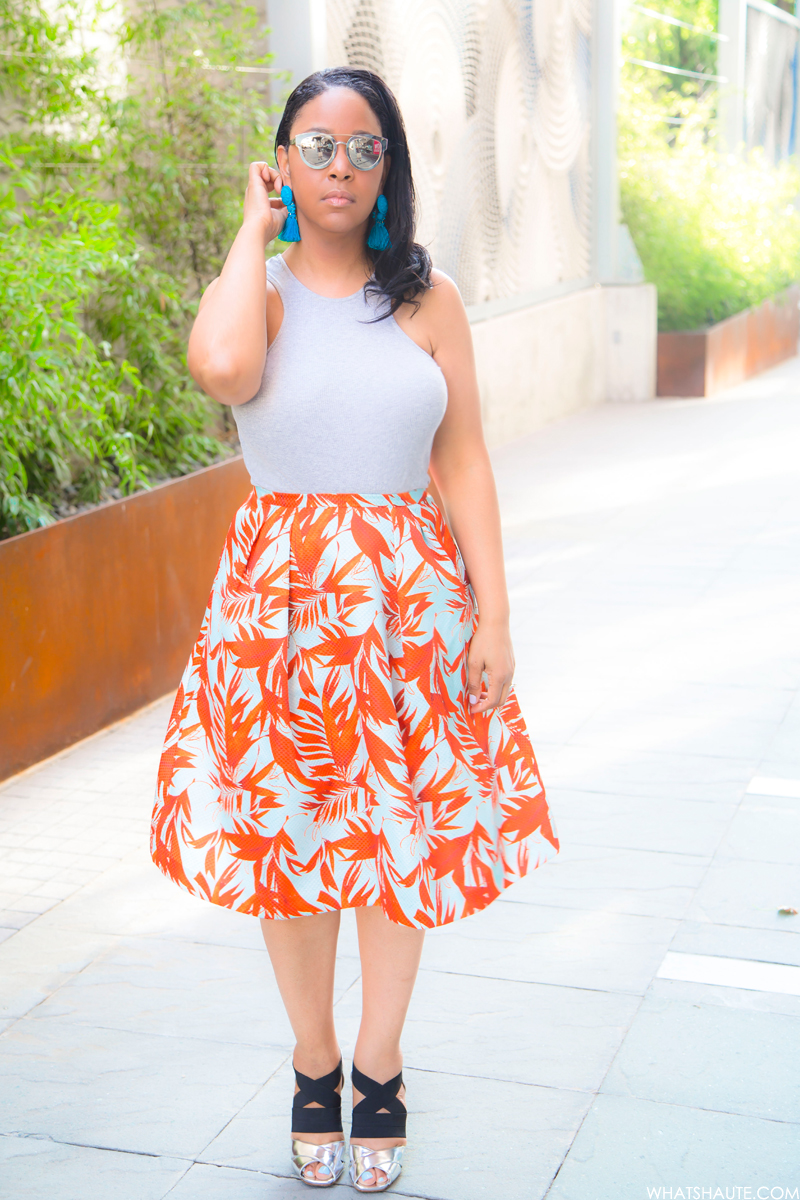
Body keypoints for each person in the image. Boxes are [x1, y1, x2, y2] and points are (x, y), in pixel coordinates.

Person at [151, 66, 559, 1193]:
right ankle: (312, 1058)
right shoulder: (262, 289)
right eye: (316, 147)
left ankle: (377, 1064)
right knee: (291, 851)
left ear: (391, 168)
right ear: (281, 160)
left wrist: (494, 611)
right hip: (277, 616)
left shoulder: (428, 300)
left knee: (394, 845)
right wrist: (250, 229)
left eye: (362, 148)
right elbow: (222, 368)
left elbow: (462, 457)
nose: (340, 167)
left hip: (408, 609)